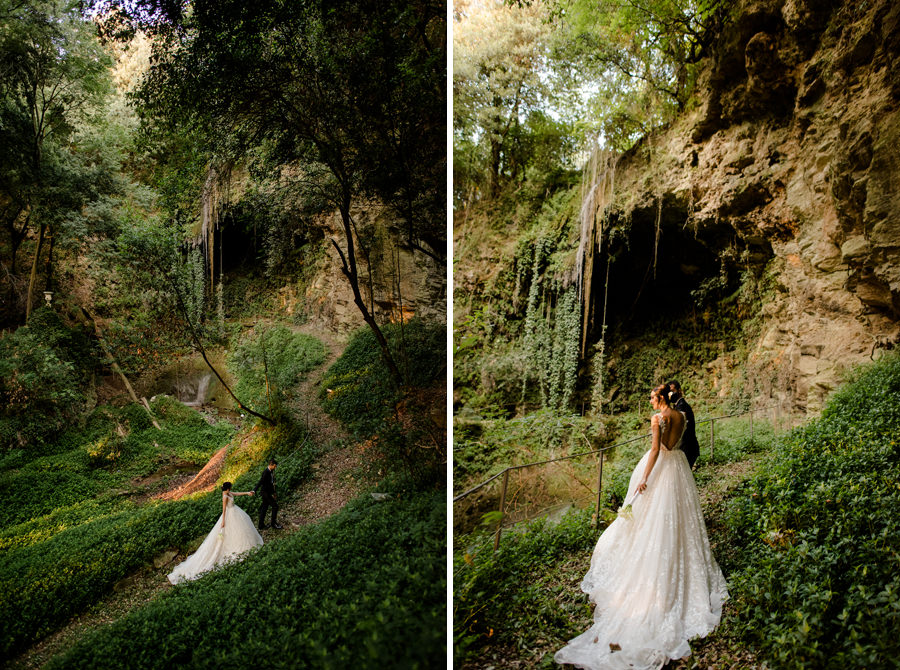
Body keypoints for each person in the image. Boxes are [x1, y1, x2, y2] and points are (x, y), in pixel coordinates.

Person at [555, 384, 728, 670]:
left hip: (662, 468)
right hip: (680, 468)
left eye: (651, 397)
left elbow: (655, 451)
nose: (649, 400)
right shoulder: (682, 415)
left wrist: (644, 478)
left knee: (652, 519)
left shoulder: (658, 418)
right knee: (680, 519)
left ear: (660, 399)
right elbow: (676, 446)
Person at [167, 482, 262, 585]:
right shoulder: (225, 496)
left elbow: (237, 493)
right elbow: (224, 509)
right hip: (230, 514)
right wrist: (223, 521)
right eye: (230, 487)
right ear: (227, 488)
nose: (231, 489)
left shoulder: (229, 493)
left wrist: (247, 493)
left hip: (235, 512)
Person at [667, 380, 699, 469]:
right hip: (685, 447)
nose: (671, 394)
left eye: (673, 391)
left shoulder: (682, 406)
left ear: (679, 391)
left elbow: (681, 430)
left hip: (687, 448)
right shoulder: (677, 405)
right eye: (669, 392)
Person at [254, 459, 282, 530]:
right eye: (274, 466)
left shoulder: (271, 471)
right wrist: (254, 490)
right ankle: (273, 524)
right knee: (275, 506)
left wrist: (274, 492)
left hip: (268, 492)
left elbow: (271, 483)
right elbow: (261, 481)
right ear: (271, 465)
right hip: (265, 493)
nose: (275, 468)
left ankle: (261, 525)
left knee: (264, 508)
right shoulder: (266, 472)